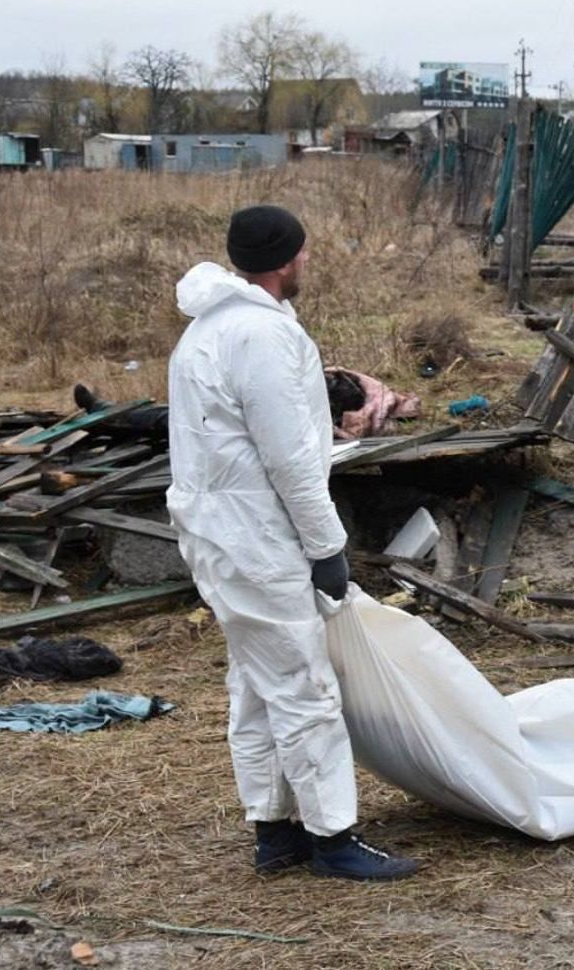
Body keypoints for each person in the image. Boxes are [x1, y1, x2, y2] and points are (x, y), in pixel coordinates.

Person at [166, 205, 418, 880]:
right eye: (302, 254)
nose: (307, 262)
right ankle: (333, 838)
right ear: (283, 262)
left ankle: (275, 832)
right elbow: (290, 460)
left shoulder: (209, 331)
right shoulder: (259, 336)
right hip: (255, 538)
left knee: (256, 683)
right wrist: (326, 546)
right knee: (303, 685)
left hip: (220, 535)